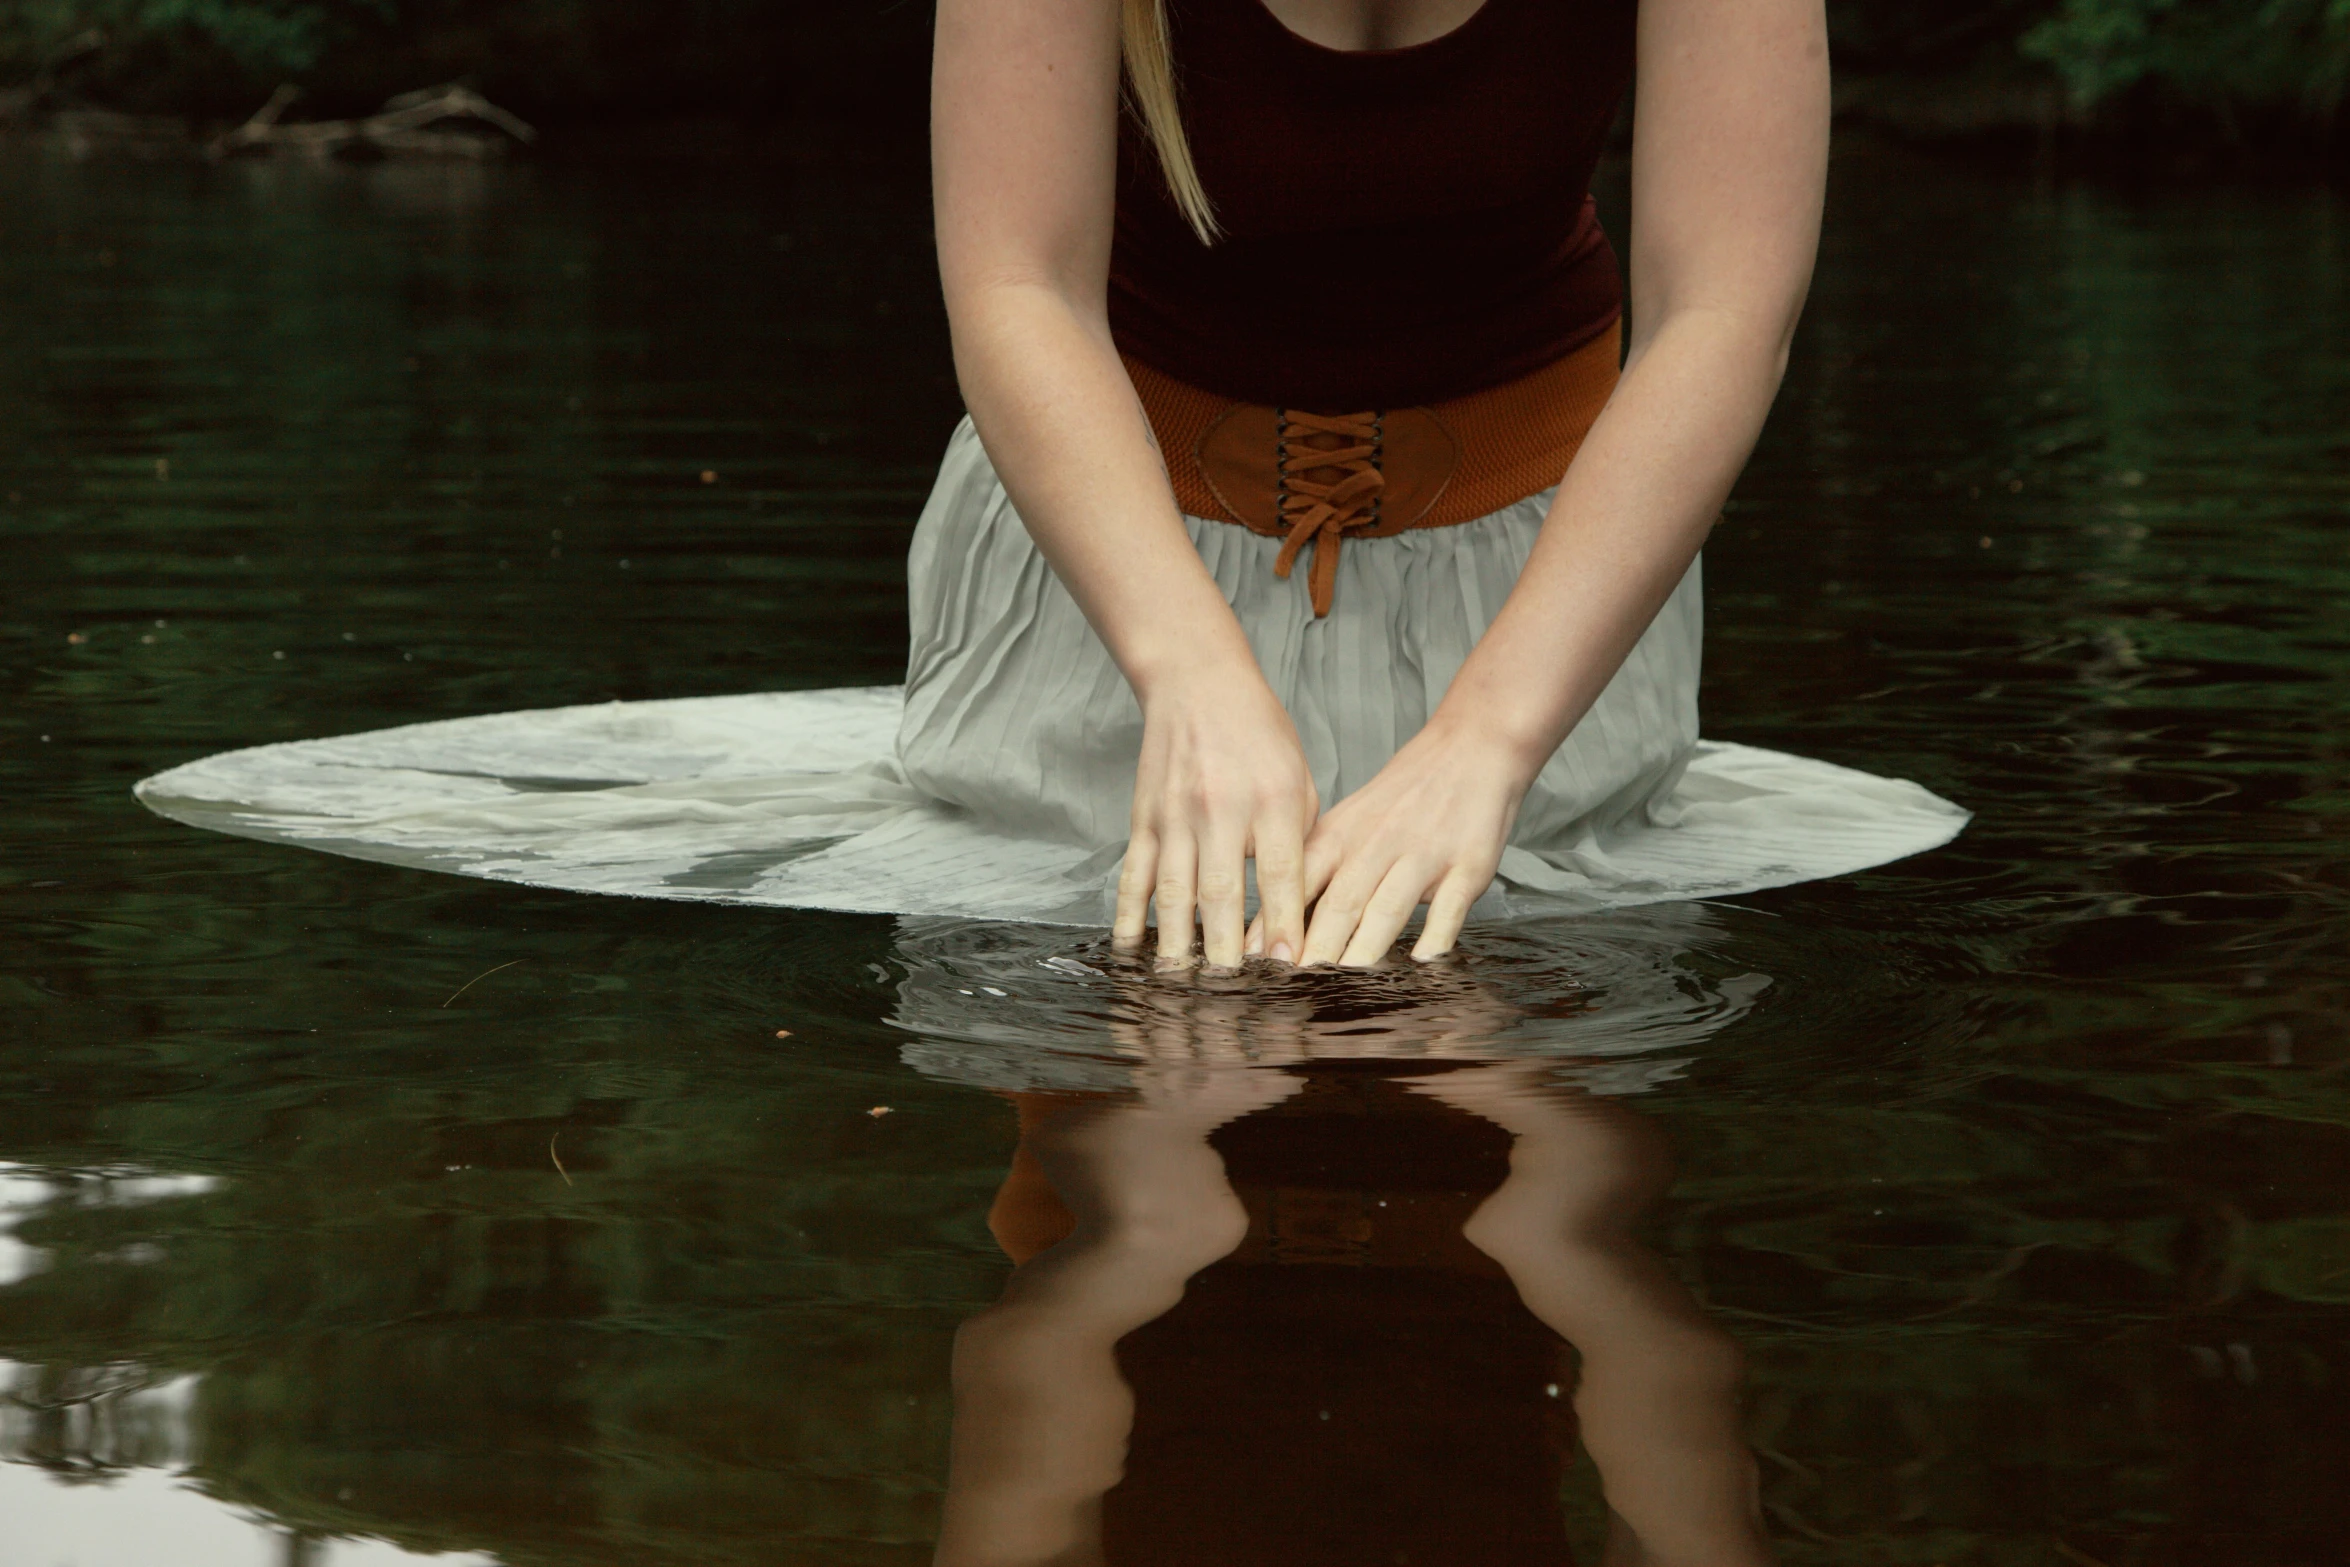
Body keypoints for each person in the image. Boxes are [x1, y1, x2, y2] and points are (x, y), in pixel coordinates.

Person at [135, 0, 1964, 945]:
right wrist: (1183, 669)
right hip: (1108, 571)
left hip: (1547, 577)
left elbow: (1725, 304)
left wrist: (1491, 740)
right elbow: (1011, 279)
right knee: (1126, 1080)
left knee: (1529, 1094)